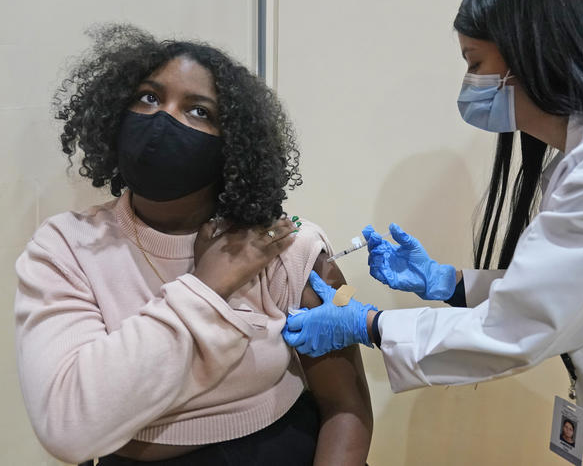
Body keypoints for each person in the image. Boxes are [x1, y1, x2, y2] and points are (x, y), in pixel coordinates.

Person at [282, 0, 583, 464]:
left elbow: (517, 328)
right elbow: (572, 288)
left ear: (530, 53)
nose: (470, 85)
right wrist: (450, 283)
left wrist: (368, 324)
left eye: (475, 63)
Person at [14, 24, 372, 466]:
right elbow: (67, 428)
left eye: (199, 111)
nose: (164, 119)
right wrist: (206, 286)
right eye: (149, 97)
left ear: (235, 146)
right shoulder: (66, 248)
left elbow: (346, 409)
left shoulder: (285, 247)